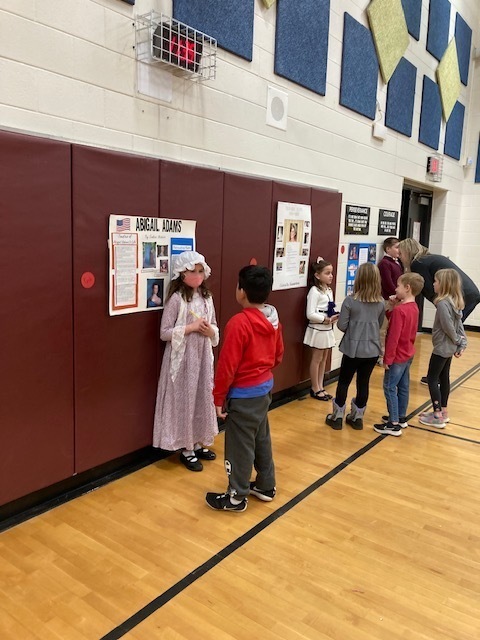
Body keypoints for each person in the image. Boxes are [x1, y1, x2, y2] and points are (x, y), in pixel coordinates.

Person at [206, 265, 284, 512]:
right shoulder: (273, 318)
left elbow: (227, 366)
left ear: (241, 291)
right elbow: (278, 355)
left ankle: (236, 497)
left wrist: (218, 398)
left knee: (239, 445)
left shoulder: (239, 323)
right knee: (261, 437)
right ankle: (265, 485)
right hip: (263, 390)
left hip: (243, 394)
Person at [152, 251, 219, 471]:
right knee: (186, 399)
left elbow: (215, 325)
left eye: (201, 271)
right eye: (193, 271)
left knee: (201, 396)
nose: (198, 275)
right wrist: (190, 328)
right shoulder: (177, 300)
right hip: (183, 360)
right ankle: (186, 447)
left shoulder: (207, 298)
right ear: (182, 274)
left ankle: (199, 441)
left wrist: (210, 331)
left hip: (202, 356)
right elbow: (164, 332)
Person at [398, 238, 480, 383]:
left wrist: (403, 300)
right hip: (468, 294)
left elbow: (428, 290)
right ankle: (440, 377)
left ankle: (436, 376)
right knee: (447, 336)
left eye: (401, 253)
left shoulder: (418, 263)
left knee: (446, 335)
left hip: (464, 296)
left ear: (407, 252)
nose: (399, 257)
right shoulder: (428, 259)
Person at [326, 262, 385, 430]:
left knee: (344, 381)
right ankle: (357, 418)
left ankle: (337, 416)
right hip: (372, 349)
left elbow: (342, 326)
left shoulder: (350, 301)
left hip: (352, 349)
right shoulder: (380, 302)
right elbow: (379, 324)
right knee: (363, 383)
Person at [373, 272, 424, 436]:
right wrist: (393, 307)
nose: (395, 289)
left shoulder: (400, 311)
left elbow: (393, 337)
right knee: (403, 386)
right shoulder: (414, 307)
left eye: (398, 286)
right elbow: (398, 323)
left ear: (407, 288)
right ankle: (401, 417)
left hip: (397, 356)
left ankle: (393, 423)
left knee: (389, 387)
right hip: (408, 353)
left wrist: (387, 359)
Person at [418, 269, 467, 428]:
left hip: (442, 347)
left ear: (444, 284)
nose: (433, 284)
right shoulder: (455, 301)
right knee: (444, 377)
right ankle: (443, 411)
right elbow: (459, 326)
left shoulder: (443, 304)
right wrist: (460, 343)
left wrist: (458, 340)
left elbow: (448, 327)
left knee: (432, 378)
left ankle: (437, 414)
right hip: (449, 347)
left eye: (436, 281)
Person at [303, 258, 339, 401]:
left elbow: (331, 307)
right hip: (318, 329)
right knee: (317, 358)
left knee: (324, 358)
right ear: (317, 275)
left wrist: (334, 316)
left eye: (331, 273)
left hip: (327, 328)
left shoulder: (329, 290)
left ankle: (321, 385)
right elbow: (310, 313)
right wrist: (325, 319)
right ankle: (315, 387)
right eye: (327, 273)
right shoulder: (314, 291)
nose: (331, 276)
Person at [377, 237, 404, 365]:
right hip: (389, 300)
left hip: (397, 299)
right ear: (388, 249)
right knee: (383, 328)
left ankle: (391, 353)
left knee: (394, 329)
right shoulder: (384, 263)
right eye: (396, 247)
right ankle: (381, 355)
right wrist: (397, 295)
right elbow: (388, 283)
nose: (399, 250)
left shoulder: (397, 262)